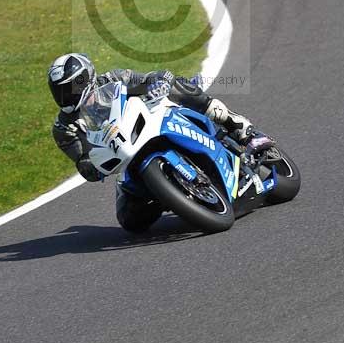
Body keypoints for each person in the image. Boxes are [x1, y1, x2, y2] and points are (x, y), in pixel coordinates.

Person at [48, 53, 274, 232]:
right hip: (125, 159)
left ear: (83, 78)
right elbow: (82, 157)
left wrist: (159, 83)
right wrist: (87, 165)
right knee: (130, 222)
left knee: (180, 86)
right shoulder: (63, 129)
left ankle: (238, 126)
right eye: (58, 91)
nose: (64, 96)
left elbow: (152, 78)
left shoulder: (114, 79)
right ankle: (171, 195)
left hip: (149, 124)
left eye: (68, 88)